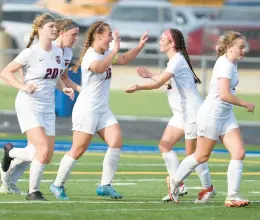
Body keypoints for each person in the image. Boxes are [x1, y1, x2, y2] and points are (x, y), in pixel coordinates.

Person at [49, 21, 149, 200]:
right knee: (78, 149)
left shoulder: (106, 54)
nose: (112, 37)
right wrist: (115, 50)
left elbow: (125, 59)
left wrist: (140, 46)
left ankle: (105, 185)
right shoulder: (91, 55)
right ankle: (57, 184)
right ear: (98, 36)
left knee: (116, 142)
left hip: (102, 109)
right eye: (109, 34)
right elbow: (99, 67)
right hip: (87, 109)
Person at [125, 28, 215, 203]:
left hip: (192, 112)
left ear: (171, 43)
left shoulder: (177, 61)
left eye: (161, 39)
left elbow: (159, 83)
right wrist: (150, 74)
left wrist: (139, 86)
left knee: (194, 155)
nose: (159, 41)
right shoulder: (174, 61)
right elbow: (168, 82)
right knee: (164, 145)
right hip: (181, 113)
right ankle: (178, 185)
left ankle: (207, 188)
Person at [165, 31, 254, 207]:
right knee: (201, 156)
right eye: (240, 47)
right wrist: (245, 104)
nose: (244, 50)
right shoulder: (225, 65)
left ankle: (232, 196)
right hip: (212, 114)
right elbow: (224, 95)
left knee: (239, 153)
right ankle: (174, 182)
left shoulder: (232, 63)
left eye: (244, 47)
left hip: (225, 115)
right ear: (229, 47)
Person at [0, 18, 80, 195]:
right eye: (50, 26)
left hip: (47, 107)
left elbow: (56, 77)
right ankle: (33, 192)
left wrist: (64, 88)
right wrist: (22, 86)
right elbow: (5, 72)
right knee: (41, 150)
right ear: (40, 30)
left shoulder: (61, 53)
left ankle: (11, 158)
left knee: (46, 155)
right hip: (29, 104)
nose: (54, 29)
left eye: (55, 26)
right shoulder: (31, 52)